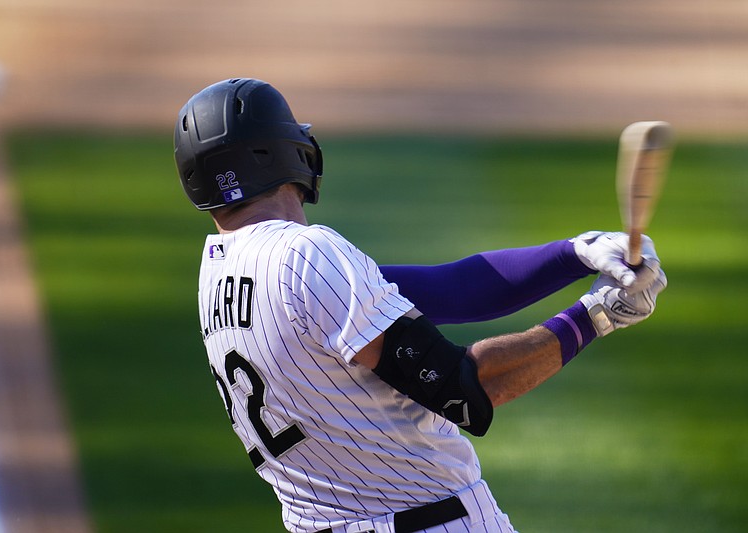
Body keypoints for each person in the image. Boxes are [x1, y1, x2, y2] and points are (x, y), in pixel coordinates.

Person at [173, 78, 667, 533]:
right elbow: (464, 390)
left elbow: (449, 289)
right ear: (281, 153)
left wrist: (574, 252)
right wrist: (596, 316)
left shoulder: (218, 275)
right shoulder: (306, 254)